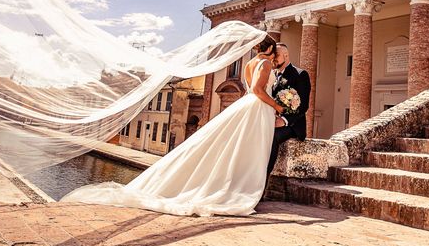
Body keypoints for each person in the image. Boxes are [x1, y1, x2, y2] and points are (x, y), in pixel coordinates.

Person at [61, 35, 284, 216]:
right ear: (271, 50)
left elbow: (248, 90)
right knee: (253, 148)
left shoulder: (250, 63)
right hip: (259, 107)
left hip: (248, 106)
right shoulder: (264, 63)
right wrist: (278, 106)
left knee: (238, 145)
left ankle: (230, 183)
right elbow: (257, 90)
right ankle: (239, 188)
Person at [267, 43, 311, 177]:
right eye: (273, 55)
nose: (274, 58)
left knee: (271, 137)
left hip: (292, 126)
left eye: (277, 55)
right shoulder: (272, 76)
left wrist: (284, 120)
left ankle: (263, 178)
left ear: (286, 56)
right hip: (272, 120)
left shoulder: (300, 74)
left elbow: (303, 106)